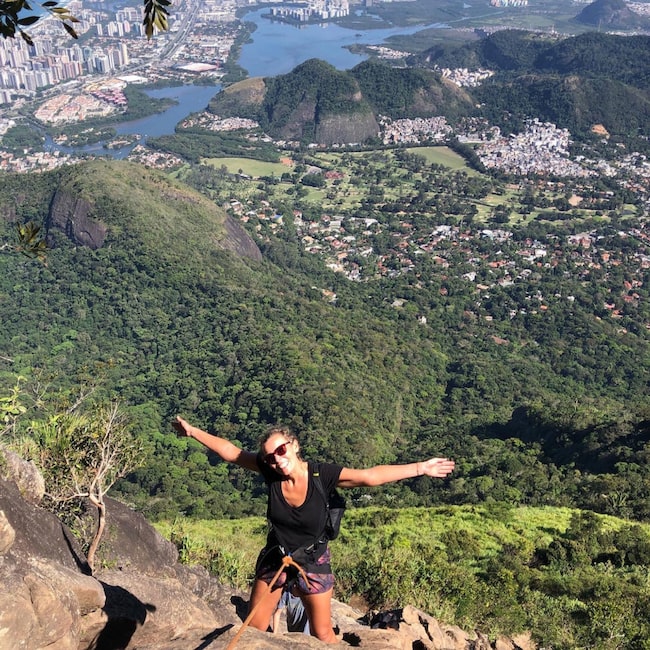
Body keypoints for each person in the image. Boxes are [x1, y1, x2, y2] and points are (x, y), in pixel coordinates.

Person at [172, 417, 455, 644]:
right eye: (270, 456)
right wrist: (193, 431)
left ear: (294, 445)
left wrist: (421, 467)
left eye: (281, 450)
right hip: (276, 558)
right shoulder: (270, 472)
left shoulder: (322, 475)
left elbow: (369, 477)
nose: (277, 459)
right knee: (255, 627)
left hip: (313, 560)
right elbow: (231, 452)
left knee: (323, 635)